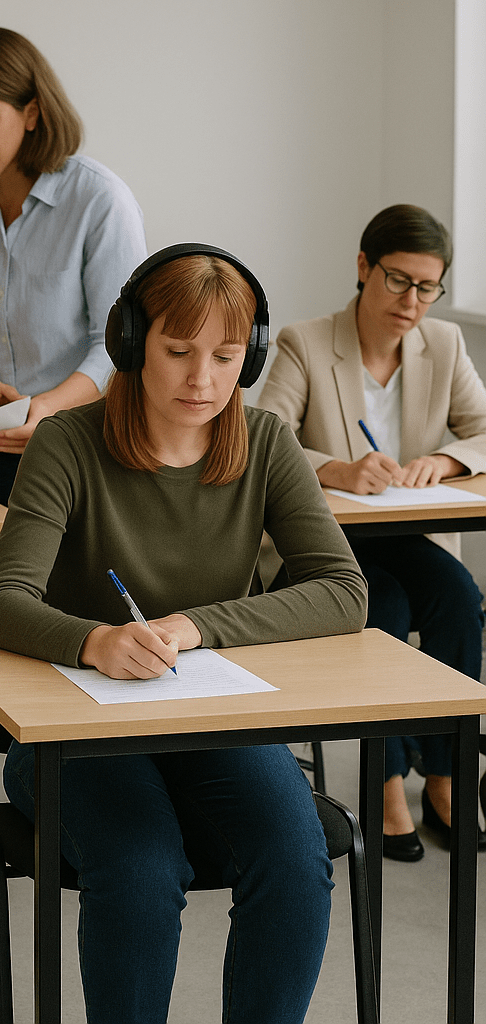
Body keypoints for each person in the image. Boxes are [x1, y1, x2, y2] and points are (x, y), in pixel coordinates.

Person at [0, 246, 368, 1023]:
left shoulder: (265, 442)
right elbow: (1, 601)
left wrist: (194, 626)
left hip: (212, 718)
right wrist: (95, 640)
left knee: (295, 861)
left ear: (251, 357)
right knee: (141, 866)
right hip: (74, 733)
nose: (203, 380)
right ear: (130, 343)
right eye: (178, 352)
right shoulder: (67, 443)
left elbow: (344, 591)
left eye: (227, 357)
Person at [258, 204, 486, 862]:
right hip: (323, 542)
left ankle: (444, 773)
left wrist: (443, 460)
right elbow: (261, 442)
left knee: (457, 597)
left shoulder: (443, 345)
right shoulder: (306, 341)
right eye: (397, 280)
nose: (412, 301)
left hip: (405, 531)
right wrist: (335, 467)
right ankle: (385, 782)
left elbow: (481, 430)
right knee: (377, 605)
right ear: (363, 268)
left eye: (427, 287)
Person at [0, 26, 146, 580]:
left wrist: (49, 407)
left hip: (84, 450)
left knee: (66, 630)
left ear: (32, 112)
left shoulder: (99, 200)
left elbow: (119, 342)